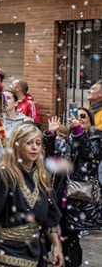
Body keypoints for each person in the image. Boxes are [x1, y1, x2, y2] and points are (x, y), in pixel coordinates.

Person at [0, 124, 63, 267]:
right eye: (29, 143)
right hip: (3, 250)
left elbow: (50, 218)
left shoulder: (43, 179)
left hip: (33, 251)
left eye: (38, 143)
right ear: (17, 145)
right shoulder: (2, 176)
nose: (34, 147)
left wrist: (57, 246)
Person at [49, 108, 102, 266]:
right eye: (76, 117)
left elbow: (89, 155)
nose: (80, 119)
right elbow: (52, 156)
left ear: (90, 119)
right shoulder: (70, 138)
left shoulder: (96, 137)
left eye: (83, 116)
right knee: (64, 234)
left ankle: (73, 263)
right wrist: (50, 135)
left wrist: (78, 131)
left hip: (80, 196)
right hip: (64, 193)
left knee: (72, 236)